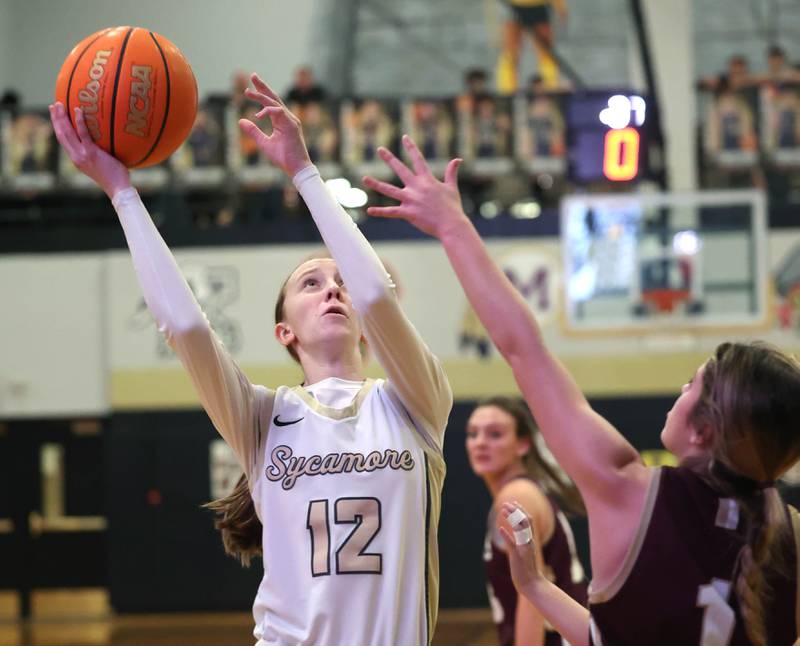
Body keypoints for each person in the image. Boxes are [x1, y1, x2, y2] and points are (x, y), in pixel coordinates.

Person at [49, 74, 451, 645]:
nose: (333, 289)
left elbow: (378, 294)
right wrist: (122, 194)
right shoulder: (264, 420)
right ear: (284, 331)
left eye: (341, 282)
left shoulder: (414, 402)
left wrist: (305, 174)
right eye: (311, 283)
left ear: (361, 317)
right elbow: (185, 326)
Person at [363, 135, 800, 645]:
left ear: (704, 431)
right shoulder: (786, 535)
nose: (682, 386)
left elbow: (524, 348)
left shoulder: (626, 490)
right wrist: (536, 587)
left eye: (693, 384)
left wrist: (454, 227)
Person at [466, 396, 587, 645]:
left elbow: (531, 595)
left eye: (495, 434)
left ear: (522, 445)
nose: (480, 443)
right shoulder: (528, 489)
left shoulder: (515, 497)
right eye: (473, 433)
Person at [496, 0, 568, 94]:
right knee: (510, 53)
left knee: (546, 54)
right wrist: (561, 7)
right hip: (513, 7)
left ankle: (550, 89)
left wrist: (560, 7)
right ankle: (507, 93)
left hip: (537, 7)